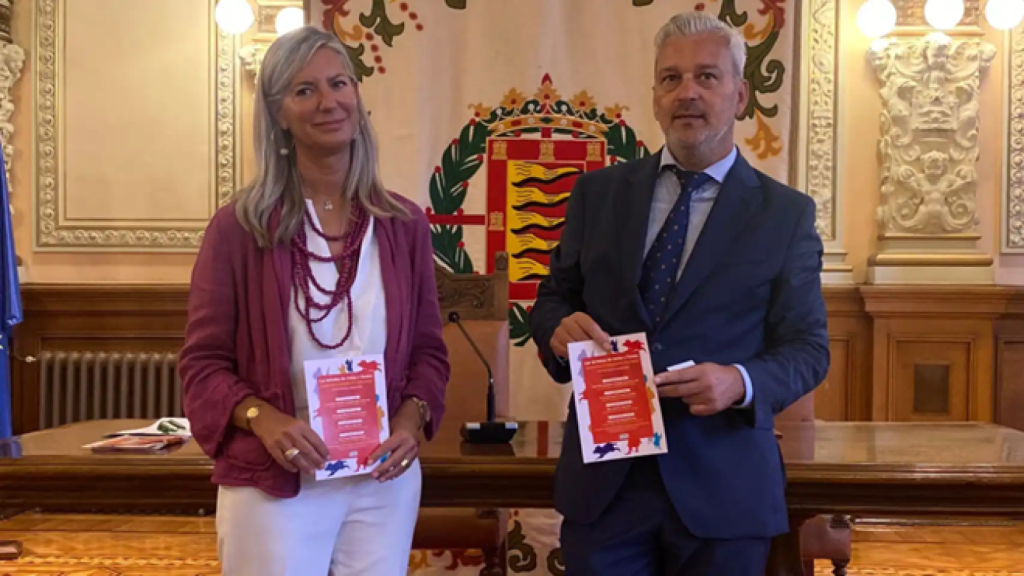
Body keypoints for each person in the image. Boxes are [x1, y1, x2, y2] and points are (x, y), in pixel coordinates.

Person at [529, 11, 829, 575]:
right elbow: (553, 300)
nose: (686, 93)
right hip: (607, 487)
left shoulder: (785, 215)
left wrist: (737, 381)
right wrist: (555, 329)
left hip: (724, 487)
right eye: (671, 79)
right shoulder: (598, 194)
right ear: (655, 95)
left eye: (706, 77)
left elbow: (808, 350)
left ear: (740, 95)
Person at [178, 25, 449, 576]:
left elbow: (428, 352)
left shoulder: (404, 226)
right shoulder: (238, 229)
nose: (329, 102)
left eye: (339, 83)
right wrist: (261, 417)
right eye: (305, 91)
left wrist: (409, 419)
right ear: (278, 114)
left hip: (380, 482)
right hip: (277, 481)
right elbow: (202, 365)